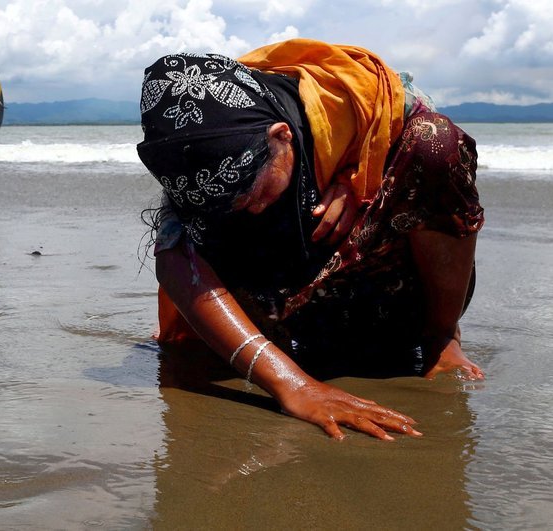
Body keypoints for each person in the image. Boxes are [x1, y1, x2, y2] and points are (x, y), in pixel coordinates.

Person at [137, 39, 485, 441]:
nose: (247, 210)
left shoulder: (366, 99)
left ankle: (442, 338)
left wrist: (358, 177)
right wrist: (293, 385)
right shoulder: (197, 148)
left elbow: (426, 157)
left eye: (250, 194)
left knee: (435, 142)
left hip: (385, 293)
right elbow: (176, 259)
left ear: (281, 136)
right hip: (284, 312)